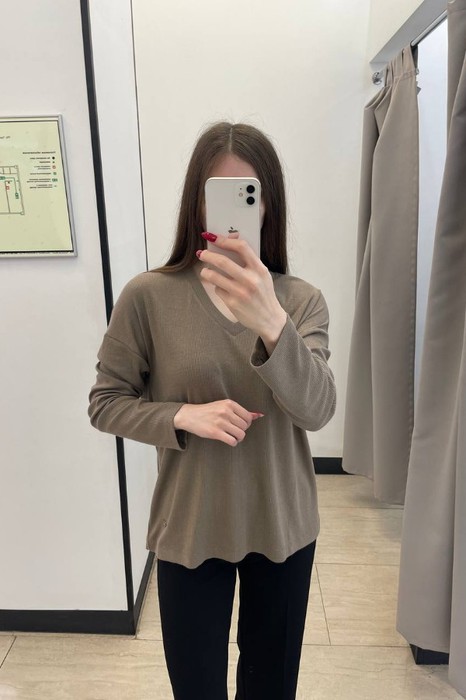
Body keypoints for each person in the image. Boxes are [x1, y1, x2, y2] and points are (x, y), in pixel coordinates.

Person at [88, 121, 337, 700]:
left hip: (282, 521)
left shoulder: (300, 301)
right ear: (195, 203)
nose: (232, 216)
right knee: (196, 687)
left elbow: (318, 410)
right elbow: (105, 402)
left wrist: (271, 323)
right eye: (216, 194)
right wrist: (180, 416)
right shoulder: (148, 296)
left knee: (271, 687)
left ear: (268, 205)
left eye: (248, 195)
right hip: (190, 523)